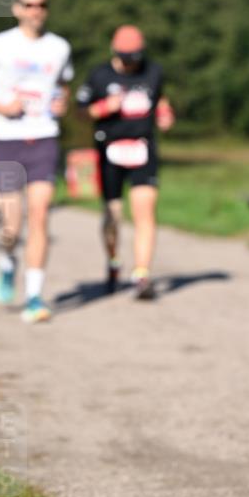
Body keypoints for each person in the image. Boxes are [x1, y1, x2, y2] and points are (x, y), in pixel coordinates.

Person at [0, 0, 73, 323]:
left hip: (43, 136)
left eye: (41, 4)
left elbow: (64, 85)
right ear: (17, 9)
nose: (36, 10)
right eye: (29, 4)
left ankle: (33, 296)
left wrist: (62, 102)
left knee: (40, 214)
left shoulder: (59, 47)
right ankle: (7, 262)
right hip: (6, 139)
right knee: (12, 223)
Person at [76, 25, 174, 300]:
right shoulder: (99, 75)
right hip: (109, 149)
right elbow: (81, 112)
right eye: (126, 57)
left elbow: (160, 98)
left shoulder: (153, 71)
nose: (131, 62)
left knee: (145, 211)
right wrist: (104, 107)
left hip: (143, 148)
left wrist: (165, 113)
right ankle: (113, 260)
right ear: (115, 52)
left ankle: (142, 275)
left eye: (135, 56)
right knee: (113, 215)